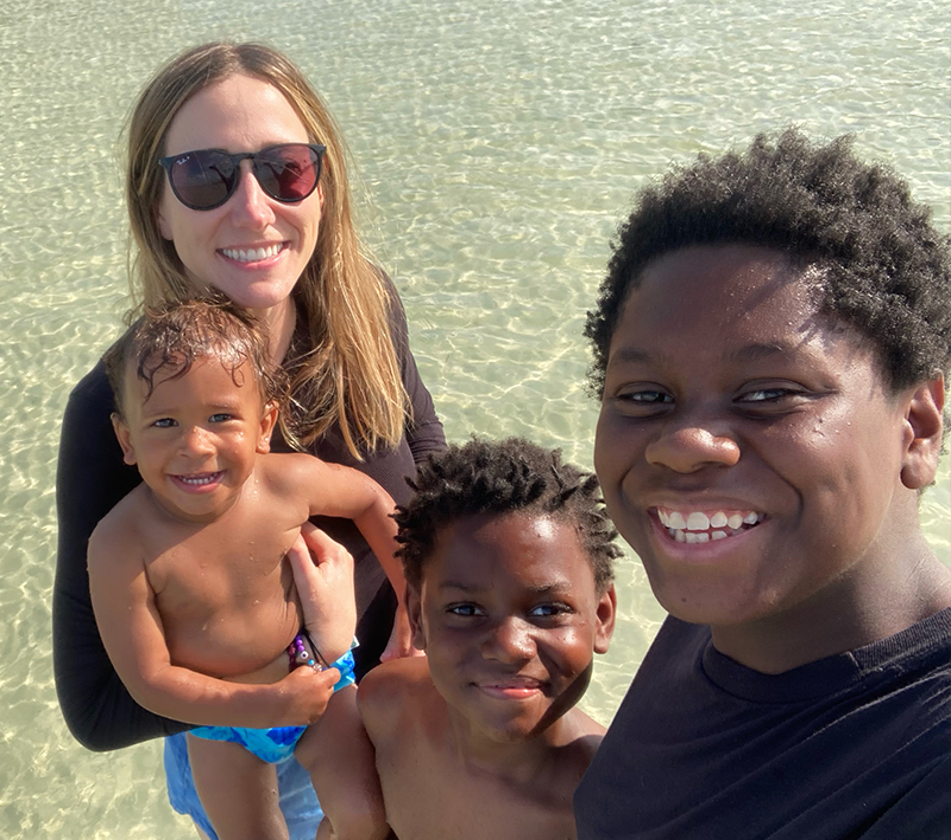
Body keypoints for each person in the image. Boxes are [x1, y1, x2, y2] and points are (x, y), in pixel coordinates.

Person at [53, 42, 445, 840]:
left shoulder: (366, 310)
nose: (255, 208)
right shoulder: (114, 408)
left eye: (286, 169)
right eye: (205, 175)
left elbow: (431, 469)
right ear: (156, 208)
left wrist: (441, 608)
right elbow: (97, 708)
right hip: (263, 752)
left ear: (322, 185)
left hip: (412, 705)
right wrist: (308, 660)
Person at [576, 128, 951, 838]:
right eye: (645, 395)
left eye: (770, 392)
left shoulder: (928, 766)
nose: (684, 445)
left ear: (918, 425)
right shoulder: (715, 614)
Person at [89, 299, 393, 840]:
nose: (195, 445)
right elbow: (149, 680)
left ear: (264, 423)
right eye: (164, 422)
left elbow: (371, 500)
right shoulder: (119, 544)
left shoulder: (285, 485)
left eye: (221, 416)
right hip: (219, 724)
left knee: (366, 818)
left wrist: (414, 593)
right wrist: (265, 704)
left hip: (314, 673)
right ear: (126, 439)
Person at [339, 437, 619, 840]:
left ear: (602, 616)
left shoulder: (611, 809)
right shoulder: (387, 706)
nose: (509, 646)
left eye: (548, 610)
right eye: (466, 610)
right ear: (417, 617)